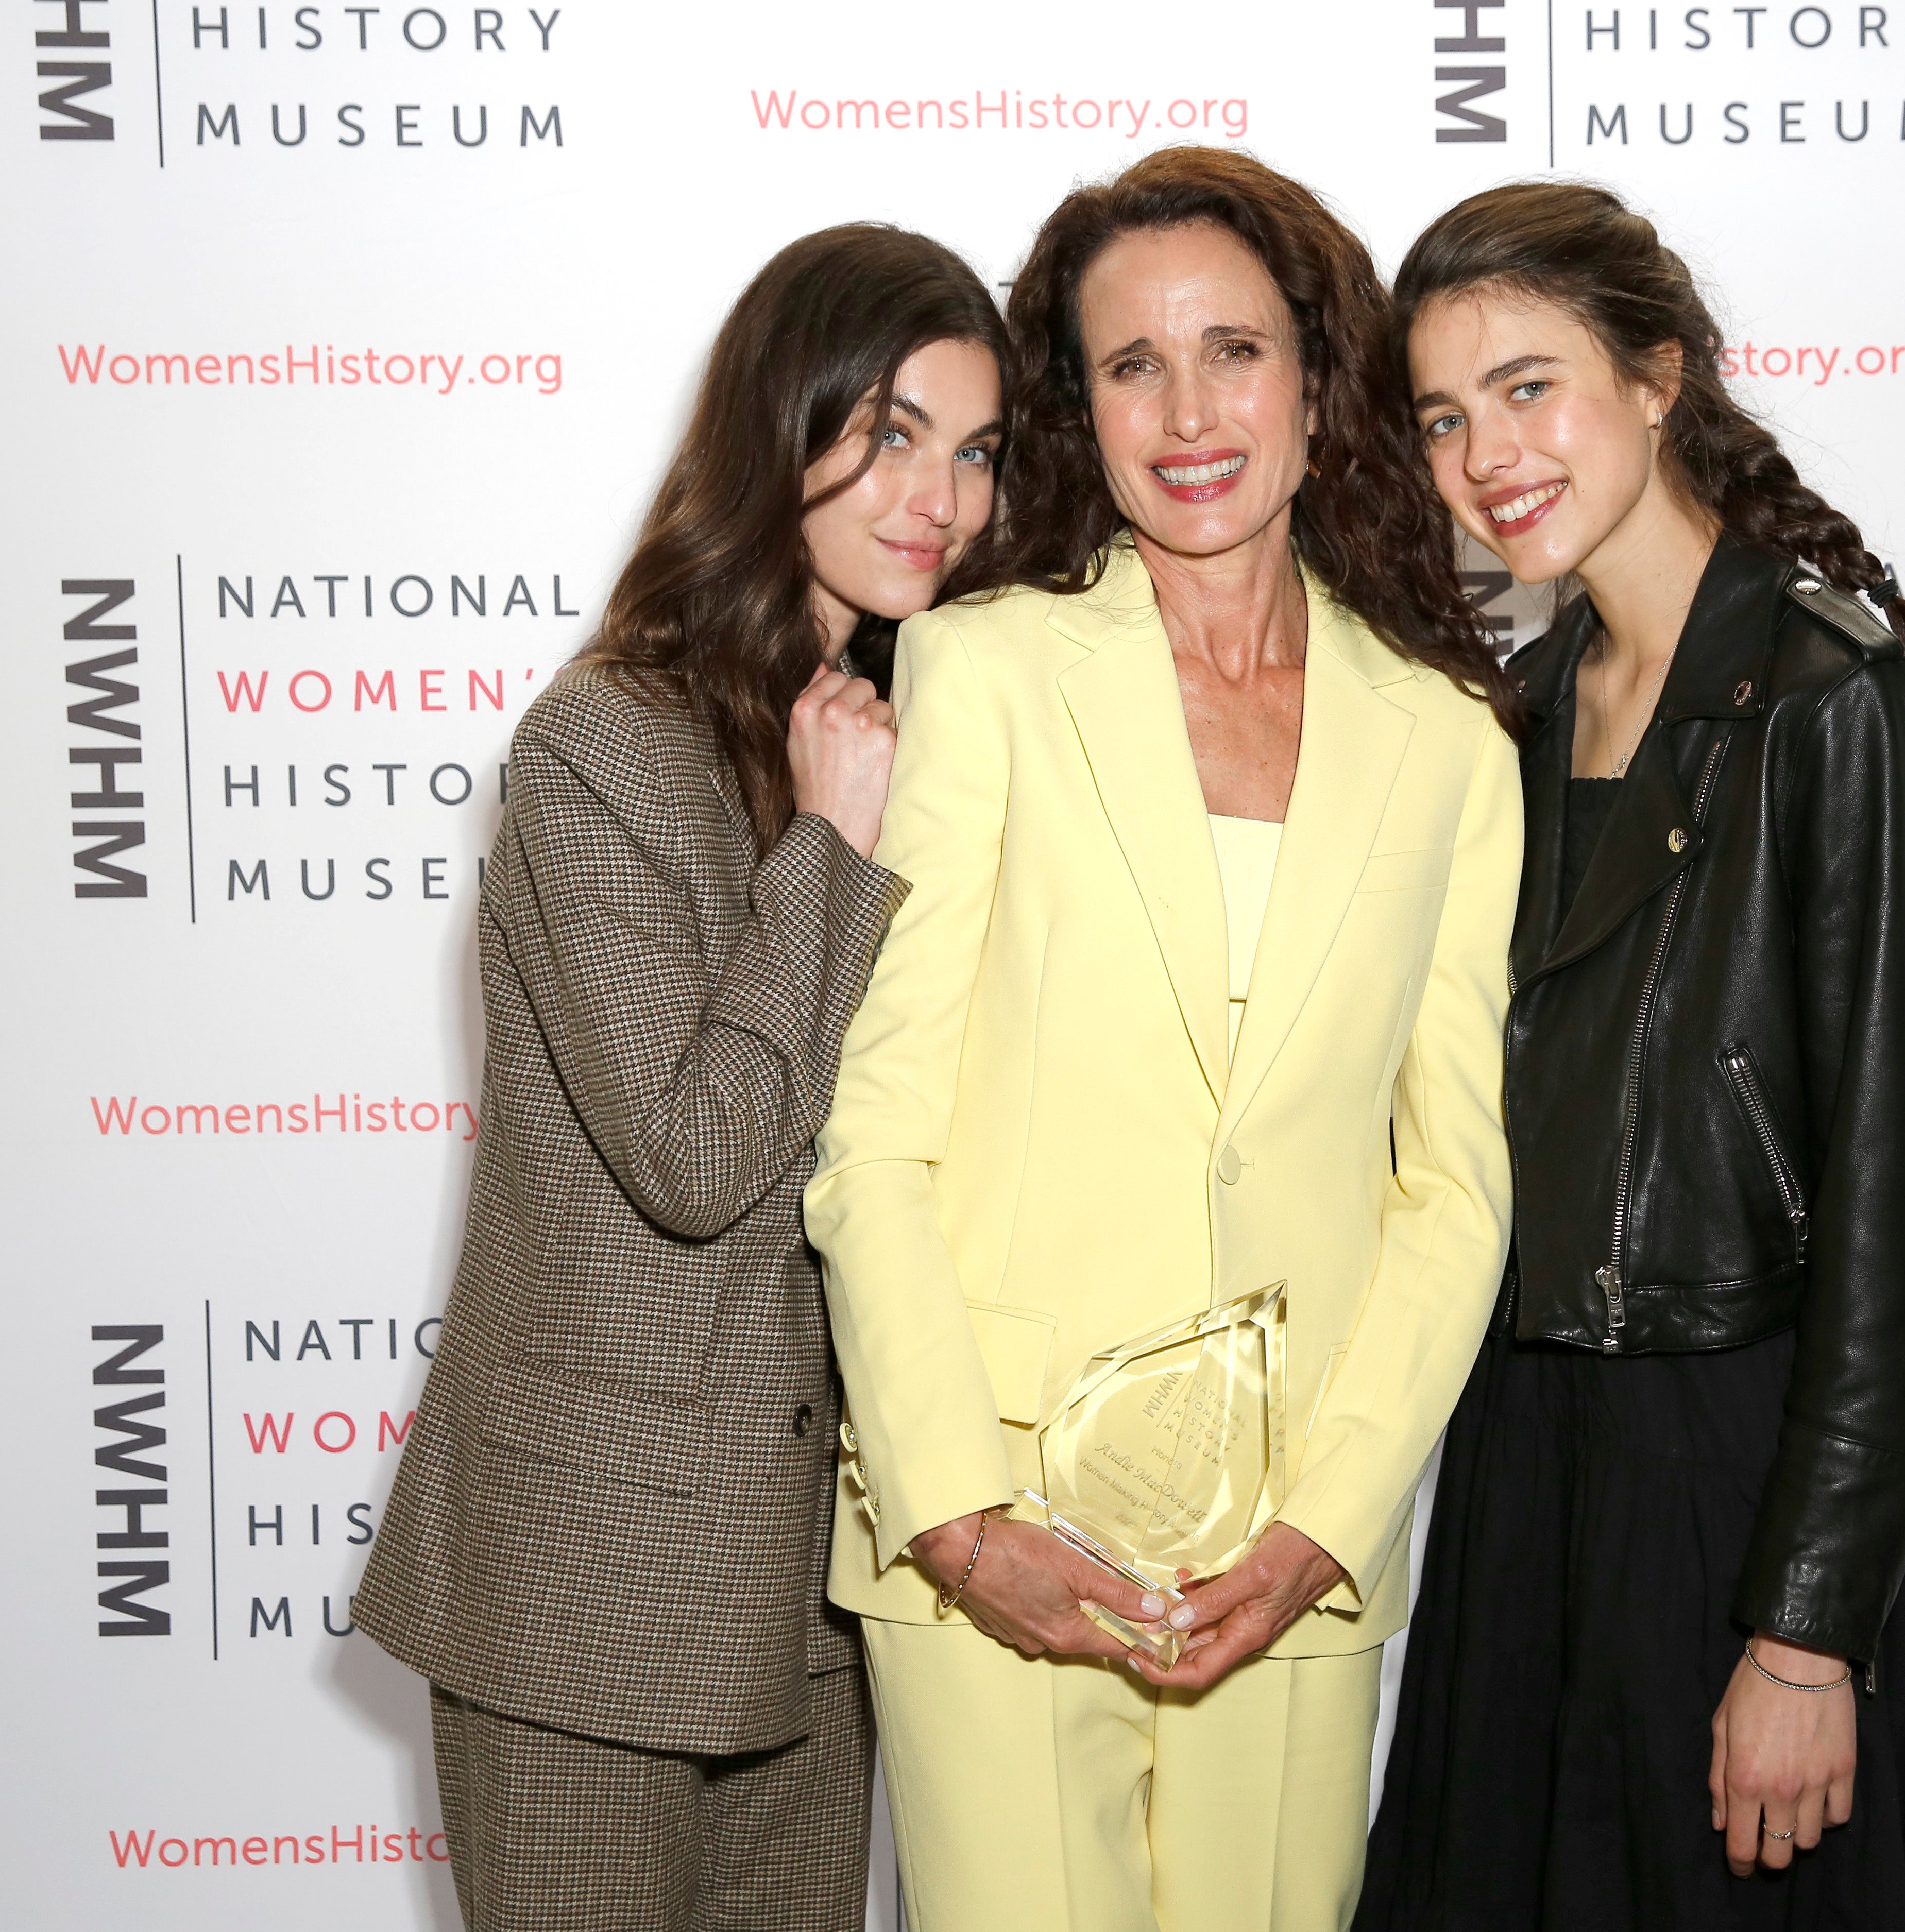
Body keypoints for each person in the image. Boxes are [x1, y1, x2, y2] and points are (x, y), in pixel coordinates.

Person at [803, 148, 1523, 1932]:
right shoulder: (977, 673)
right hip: (1004, 1530)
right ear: (1084, 407)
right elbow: (871, 1141)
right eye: (1132, 365)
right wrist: (957, 1518)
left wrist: (1328, 1522)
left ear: (1314, 379)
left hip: (1284, 1554)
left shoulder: (1447, 745)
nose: (1188, 412)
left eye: (1233, 352)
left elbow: (1451, 1194)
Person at [349, 223, 1005, 1932]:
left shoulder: (908, 729)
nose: (936, 492)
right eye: (889, 432)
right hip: (587, 1588)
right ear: (779, 429)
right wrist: (833, 852)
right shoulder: (601, 746)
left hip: (818, 1586)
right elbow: (695, 1155)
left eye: (974, 447)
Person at [1357, 181, 1905, 1930]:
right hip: (1515, 1466)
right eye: (1441, 416)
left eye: (1528, 387)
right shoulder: (1516, 709)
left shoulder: (1825, 702)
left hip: (1726, 1480)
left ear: (1659, 379)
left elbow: (1900, 1219)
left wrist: (1802, 1631)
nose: (1486, 455)